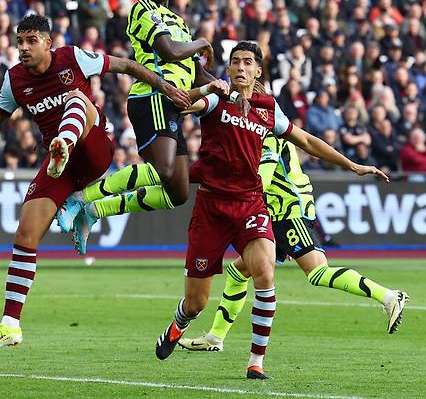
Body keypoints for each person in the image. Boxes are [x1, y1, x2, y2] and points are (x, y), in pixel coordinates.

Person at [0, 14, 189, 352]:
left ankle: (62, 146)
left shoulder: (72, 58)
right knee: (25, 233)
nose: (23, 48)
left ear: (47, 42)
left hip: (93, 147)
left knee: (77, 100)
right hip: (63, 169)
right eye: (19, 41)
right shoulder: (15, 80)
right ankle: (10, 325)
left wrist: (166, 87)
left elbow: (127, 66)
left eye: (31, 41)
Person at [153, 42, 389, 380]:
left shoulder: (268, 108)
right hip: (212, 208)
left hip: (250, 204)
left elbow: (306, 141)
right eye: (235, 62)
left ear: (258, 71)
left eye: (248, 63)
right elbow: (185, 104)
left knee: (264, 272)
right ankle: (178, 325)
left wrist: (352, 165)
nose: (240, 68)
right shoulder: (217, 99)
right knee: (196, 302)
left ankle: (255, 362)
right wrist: (204, 87)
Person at [57, 0, 241, 251]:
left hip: (175, 104)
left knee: (177, 192)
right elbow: (168, 50)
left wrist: (228, 91)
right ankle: (82, 197)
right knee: (164, 169)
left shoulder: (179, 21)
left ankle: (95, 211)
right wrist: (202, 42)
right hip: (153, 96)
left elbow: (195, 71)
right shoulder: (142, 10)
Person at [178, 131, 409, 355]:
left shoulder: (266, 135)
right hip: (278, 212)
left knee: (317, 272)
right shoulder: (263, 131)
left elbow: (263, 182)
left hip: (287, 211)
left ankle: (389, 297)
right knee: (239, 271)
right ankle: (215, 338)